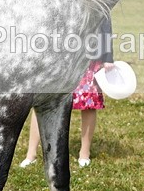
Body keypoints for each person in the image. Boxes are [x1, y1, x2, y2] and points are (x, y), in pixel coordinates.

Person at [20, 15, 114, 168]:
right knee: (42, 103)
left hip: (88, 57)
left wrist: (107, 57)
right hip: (58, 57)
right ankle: (31, 155)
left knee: (89, 104)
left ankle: (84, 153)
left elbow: (104, 21)